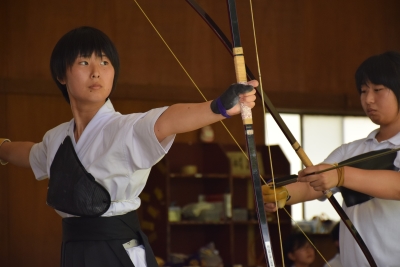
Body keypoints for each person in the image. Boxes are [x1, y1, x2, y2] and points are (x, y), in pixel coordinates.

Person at [0, 26, 258, 267]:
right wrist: (2, 148)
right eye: (83, 62)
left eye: (104, 62)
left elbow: (167, 120)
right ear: (61, 75)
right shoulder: (56, 138)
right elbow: (31, 154)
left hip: (117, 251)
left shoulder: (125, 129)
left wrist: (219, 107)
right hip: (74, 249)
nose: (96, 71)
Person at [262, 50, 400, 266]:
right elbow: (314, 184)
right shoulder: (350, 151)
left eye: (378, 90)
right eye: (363, 91)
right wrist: (281, 195)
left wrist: (341, 175)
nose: (368, 99)